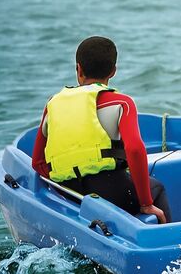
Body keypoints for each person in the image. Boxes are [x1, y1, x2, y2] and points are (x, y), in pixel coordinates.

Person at [31, 37, 170, 224]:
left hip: (67, 192)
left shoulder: (52, 105)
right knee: (157, 188)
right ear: (113, 71)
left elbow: (38, 162)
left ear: (79, 69)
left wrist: (67, 184)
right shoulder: (122, 103)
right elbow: (135, 150)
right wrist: (146, 203)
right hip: (110, 191)